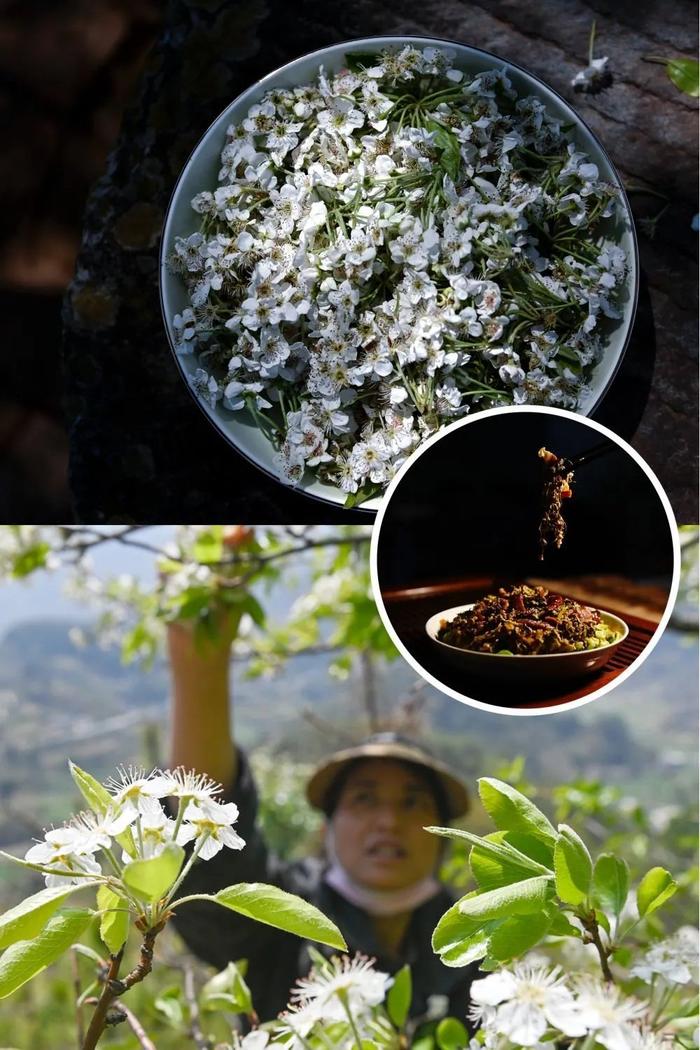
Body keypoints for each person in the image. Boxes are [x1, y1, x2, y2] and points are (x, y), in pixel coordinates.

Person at [166, 554, 480, 1025]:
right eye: (364, 798)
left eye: (413, 802)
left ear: (443, 833)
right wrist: (200, 670)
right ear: (329, 823)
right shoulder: (283, 915)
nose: (389, 821)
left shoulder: (472, 948)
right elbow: (211, 852)